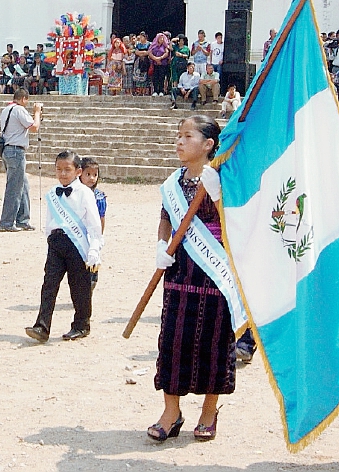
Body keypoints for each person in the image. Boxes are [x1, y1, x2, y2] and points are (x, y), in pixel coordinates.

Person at [150, 115, 233, 443]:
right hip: (180, 269)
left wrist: (216, 195)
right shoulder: (174, 182)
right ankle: (172, 412)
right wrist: (161, 244)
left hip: (215, 271)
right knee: (172, 339)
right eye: (178, 135)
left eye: (188, 136)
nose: (179, 141)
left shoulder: (224, 177)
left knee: (213, 342)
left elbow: (235, 221)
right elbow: (165, 218)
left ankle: (209, 410)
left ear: (209, 144)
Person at [25, 150, 103, 343]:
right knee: (49, 285)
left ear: (78, 171)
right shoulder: (52, 194)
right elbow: (50, 221)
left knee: (79, 286)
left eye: (67, 170)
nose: (62, 174)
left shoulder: (85, 193)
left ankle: (81, 324)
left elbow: (94, 225)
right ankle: (42, 326)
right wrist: (50, 241)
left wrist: (94, 249)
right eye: (58, 169)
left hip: (77, 245)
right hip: (57, 243)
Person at [0, 89, 41, 232]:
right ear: (23, 99)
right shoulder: (19, 110)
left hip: (8, 150)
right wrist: (38, 112)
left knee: (23, 186)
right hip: (16, 151)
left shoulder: (6, 110)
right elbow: (34, 127)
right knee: (14, 188)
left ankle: (23, 219)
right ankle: (6, 222)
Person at [78, 157, 107, 290]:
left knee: (93, 258)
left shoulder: (99, 197)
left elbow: (101, 218)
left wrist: (99, 236)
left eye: (95, 175)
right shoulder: (75, 194)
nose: (91, 178)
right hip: (78, 233)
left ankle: (92, 281)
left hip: (92, 234)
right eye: (88, 174)